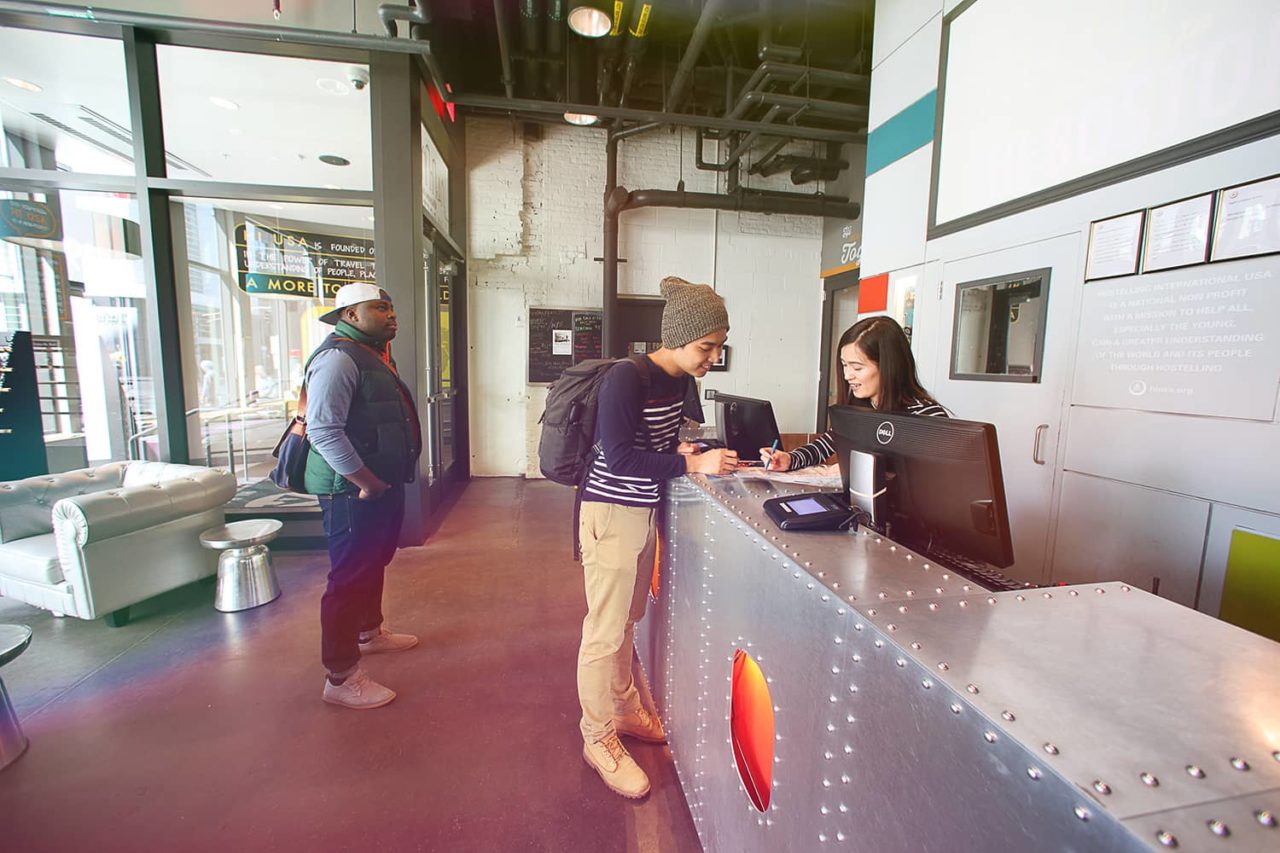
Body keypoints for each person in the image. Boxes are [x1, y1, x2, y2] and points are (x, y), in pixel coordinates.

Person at [577, 276, 738, 799]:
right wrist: (691, 466)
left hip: (641, 511)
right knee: (604, 629)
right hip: (610, 510)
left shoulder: (681, 382)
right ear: (675, 337)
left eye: (719, 346)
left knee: (626, 620)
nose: (712, 357)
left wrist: (701, 453)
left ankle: (622, 707)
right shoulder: (627, 377)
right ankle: (596, 736)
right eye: (705, 346)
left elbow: (670, 444)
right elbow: (620, 456)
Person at [305, 282, 423, 710]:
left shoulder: (371, 355)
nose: (391, 315)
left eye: (391, 307)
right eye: (379, 308)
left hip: (376, 486)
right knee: (348, 578)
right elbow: (322, 429)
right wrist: (365, 482)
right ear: (350, 316)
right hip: (351, 492)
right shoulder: (338, 359)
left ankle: (368, 632)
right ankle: (340, 676)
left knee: (373, 561)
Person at [761, 316, 946, 471]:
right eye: (844, 365)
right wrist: (790, 460)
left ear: (889, 367)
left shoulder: (928, 417)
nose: (847, 375)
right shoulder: (860, 407)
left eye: (857, 367)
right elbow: (827, 443)